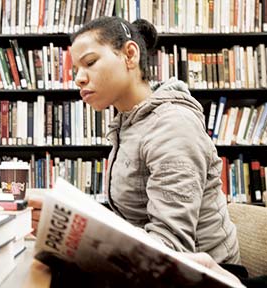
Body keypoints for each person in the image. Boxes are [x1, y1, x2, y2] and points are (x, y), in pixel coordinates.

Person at [30, 16, 240, 266]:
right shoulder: (129, 124)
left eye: (90, 62)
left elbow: (172, 246)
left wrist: (83, 237)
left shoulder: (172, 125)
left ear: (130, 55)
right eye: (76, 70)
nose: (79, 79)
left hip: (210, 274)